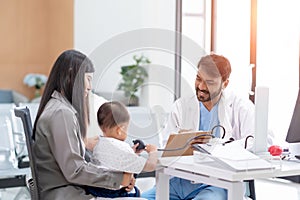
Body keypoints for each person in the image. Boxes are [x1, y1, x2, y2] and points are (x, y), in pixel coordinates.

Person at [142, 53, 259, 200]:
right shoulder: (181, 106)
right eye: (198, 79)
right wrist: (181, 142)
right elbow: (166, 147)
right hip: (178, 181)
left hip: (217, 183)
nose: (201, 86)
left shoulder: (241, 107)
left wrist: (217, 147)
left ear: (225, 83)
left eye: (209, 82)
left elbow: (257, 141)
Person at [32, 49, 134, 200]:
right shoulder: (61, 113)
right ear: (72, 76)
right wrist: (118, 179)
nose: (89, 86)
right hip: (67, 195)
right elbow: (75, 170)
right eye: (88, 79)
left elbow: (78, 163)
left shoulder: (58, 108)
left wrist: (117, 177)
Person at [86, 101, 158, 198]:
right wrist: (153, 152)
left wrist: (132, 153)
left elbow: (114, 160)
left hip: (98, 191)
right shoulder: (123, 148)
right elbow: (151, 166)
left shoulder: (97, 144)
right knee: (137, 193)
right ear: (120, 130)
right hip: (115, 193)